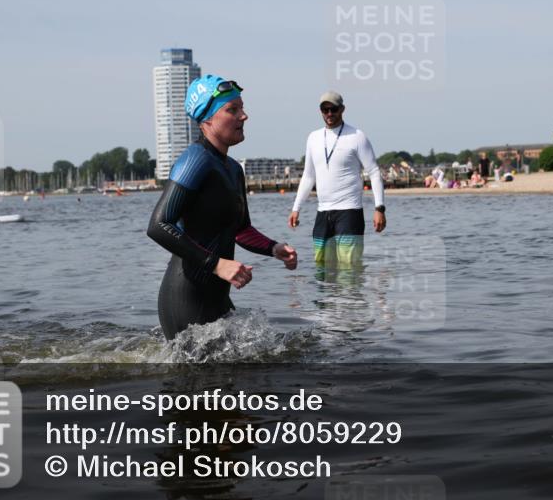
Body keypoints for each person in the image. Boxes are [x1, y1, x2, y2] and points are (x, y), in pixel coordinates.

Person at [147, 75, 298, 340]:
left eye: (242, 108)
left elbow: (241, 229)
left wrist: (273, 248)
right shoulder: (195, 160)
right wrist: (216, 264)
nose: (244, 116)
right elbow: (158, 225)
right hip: (187, 297)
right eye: (232, 110)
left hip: (217, 296)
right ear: (206, 119)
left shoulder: (233, 169)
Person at [288, 91, 386, 267]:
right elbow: (308, 176)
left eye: (333, 109)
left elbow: (374, 172)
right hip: (323, 213)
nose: (329, 114)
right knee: (321, 268)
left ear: (342, 109)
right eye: (325, 110)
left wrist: (379, 208)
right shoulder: (313, 138)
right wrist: (296, 208)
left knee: (349, 270)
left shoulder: (357, 136)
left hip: (349, 212)